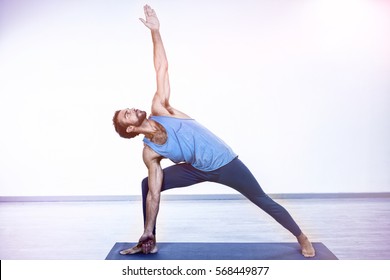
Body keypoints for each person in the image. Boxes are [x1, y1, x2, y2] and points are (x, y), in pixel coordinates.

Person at [112, 5, 315, 258]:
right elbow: (154, 193)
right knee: (147, 185)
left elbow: (161, 67)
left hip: (225, 162)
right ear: (130, 128)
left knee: (261, 199)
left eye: (129, 108)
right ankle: (148, 238)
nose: (132, 109)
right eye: (127, 114)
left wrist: (155, 32)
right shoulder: (150, 152)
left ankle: (302, 237)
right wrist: (148, 227)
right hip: (196, 170)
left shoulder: (161, 108)